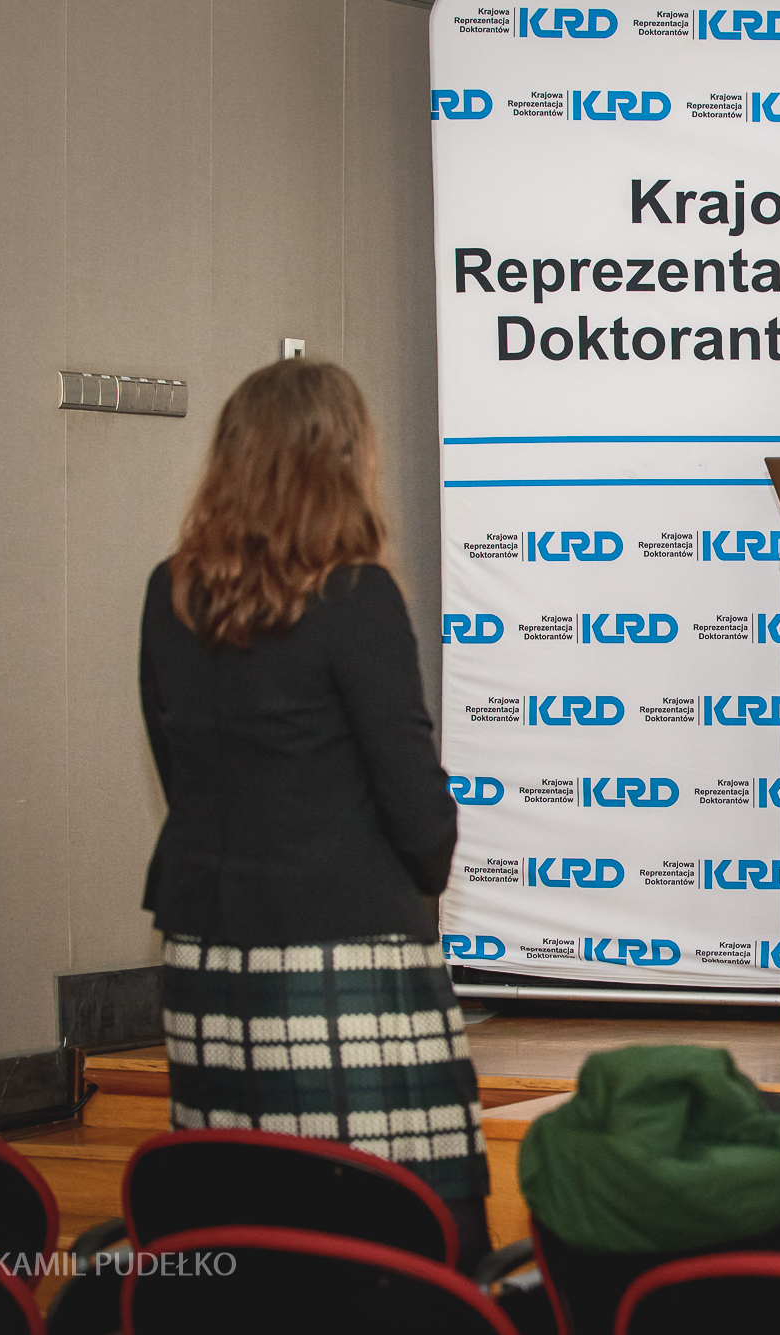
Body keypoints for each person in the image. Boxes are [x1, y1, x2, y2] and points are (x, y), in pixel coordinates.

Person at [137, 360, 488, 1265]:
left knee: (242, 1227)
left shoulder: (169, 593)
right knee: (401, 1237)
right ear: (343, 461)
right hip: (341, 955)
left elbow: (179, 774)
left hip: (206, 953)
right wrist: (425, 862)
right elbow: (416, 807)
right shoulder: (356, 598)